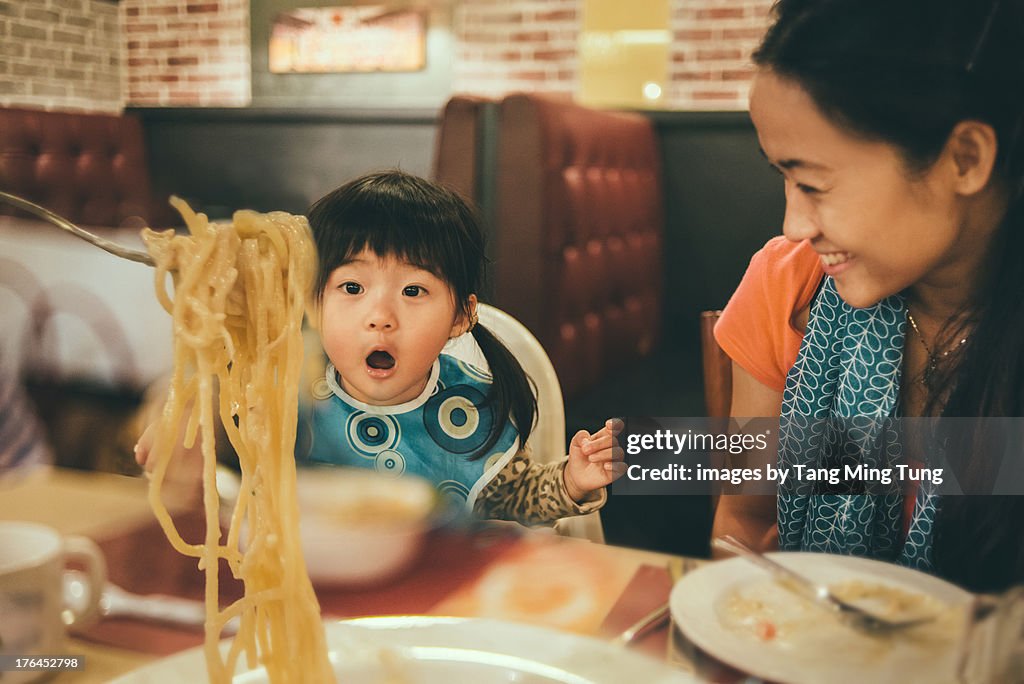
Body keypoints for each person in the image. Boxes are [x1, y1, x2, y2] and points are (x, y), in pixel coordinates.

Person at [712, 0, 1024, 592]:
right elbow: (744, 520)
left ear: (965, 159)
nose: (794, 225)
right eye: (783, 177)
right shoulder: (789, 286)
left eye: (813, 183)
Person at [138, 170, 622, 526]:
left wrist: (571, 481)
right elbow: (222, 457)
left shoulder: (469, 411)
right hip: (315, 589)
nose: (380, 316)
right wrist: (182, 429)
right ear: (311, 301)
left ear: (461, 317)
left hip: (437, 600)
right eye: (351, 288)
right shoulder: (282, 389)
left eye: (413, 291)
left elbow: (515, 496)